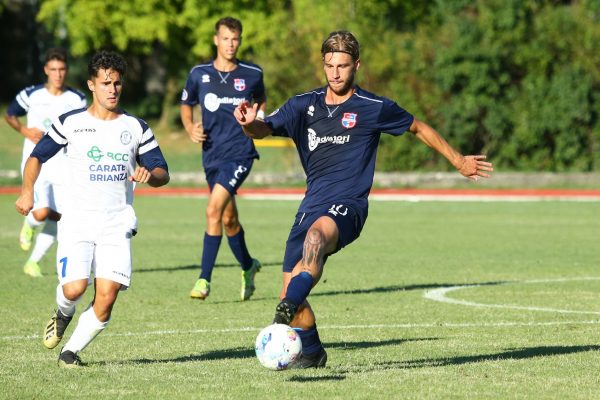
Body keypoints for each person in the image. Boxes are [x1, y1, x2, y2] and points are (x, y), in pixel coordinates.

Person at [234, 30, 493, 368]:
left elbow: (418, 128)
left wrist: (458, 160)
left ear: (356, 65)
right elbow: (264, 129)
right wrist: (247, 124)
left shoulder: (373, 107)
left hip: (349, 207)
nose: (335, 73)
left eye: (342, 65)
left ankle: (283, 312)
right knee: (295, 299)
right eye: (329, 66)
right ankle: (311, 352)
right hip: (310, 206)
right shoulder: (303, 105)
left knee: (314, 245)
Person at [15, 51, 170, 367]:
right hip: (77, 221)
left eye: (116, 83)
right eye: (105, 83)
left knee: (107, 298)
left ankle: (69, 353)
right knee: (74, 289)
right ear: (91, 85)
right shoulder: (71, 123)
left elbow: (161, 172)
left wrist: (148, 175)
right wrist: (27, 191)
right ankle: (63, 312)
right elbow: (36, 157)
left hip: (117, 222)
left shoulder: (136, 127)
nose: (112, 89)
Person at [180, 16, 266, 301]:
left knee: (212, 210)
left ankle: (204, 279)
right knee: (228, 219)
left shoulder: (252, 73)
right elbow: (186, 103)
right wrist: (190, 126)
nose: (231, 44)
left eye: (235, 39)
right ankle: (248, 265)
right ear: (216, 40)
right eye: (226, 38)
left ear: (240, 41)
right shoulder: (199, 73)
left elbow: (261, 101)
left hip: (241, 152)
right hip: (212, 155)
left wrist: (258, 120)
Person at [5, 48, 86, 277]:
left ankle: (33, 262)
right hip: (36, 162)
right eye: (53, 70)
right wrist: (23, 129)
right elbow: (10, 114)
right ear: (46, 70)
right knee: (40, 213)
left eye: (62, 69)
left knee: (60, 217)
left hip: (64, 164)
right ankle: (29, 224)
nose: (58, 74)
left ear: (66, 71)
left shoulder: (77, 98)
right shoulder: (31, 94)